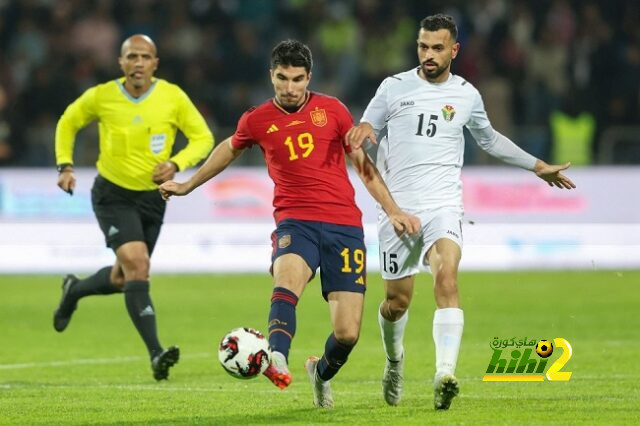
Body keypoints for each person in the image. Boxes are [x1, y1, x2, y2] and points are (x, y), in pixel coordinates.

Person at [159, 40, 420, 408]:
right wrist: (187, 184)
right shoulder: (257, 119)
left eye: (297, 79)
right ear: (272, 76)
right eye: (282, 78)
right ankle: (276, 357)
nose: (290, 87)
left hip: (344, 226)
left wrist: (393, 209)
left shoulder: (333, 111)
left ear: (309, 77)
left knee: (347, 334)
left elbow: (364, 166)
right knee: (287, 281)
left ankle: (320, 372)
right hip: (295, 221)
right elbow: (227, 150)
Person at [347, 14, 576, 410]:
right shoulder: (393, 87)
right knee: (397, 303)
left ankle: (444, 374)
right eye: (423, 46)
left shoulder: (467, 94)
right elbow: (365, 130)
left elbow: (490, 139)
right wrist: (364, 130)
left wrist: (537, 166)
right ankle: (394, 360)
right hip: (397, 210)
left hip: (443, 205)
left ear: (454, 50)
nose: (429, 54)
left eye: (437, 48)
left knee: (447, 280)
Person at [53, 34, 214, 381]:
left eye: (145, 57)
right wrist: (65, 166)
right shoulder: (103, 96)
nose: (138, 62)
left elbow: (203, 138)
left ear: (155, 63)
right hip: (112, 194)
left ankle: (74, 290)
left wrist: (176, 163)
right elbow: (68, 120)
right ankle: (156, 353)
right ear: (121, 63)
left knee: (123, 277)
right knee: (139, 267)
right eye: (132, 56)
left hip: (154, 200)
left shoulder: (172, 96)